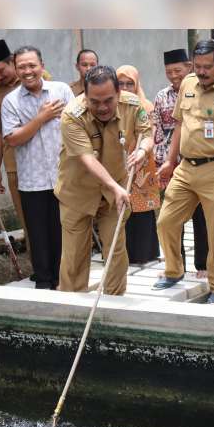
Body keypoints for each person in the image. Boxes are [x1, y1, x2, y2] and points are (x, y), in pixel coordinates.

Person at [154, 39, 214, 305]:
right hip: (186, 168)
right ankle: (174, 271)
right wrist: (170, 160)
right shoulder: (187, 84)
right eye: (197, 66)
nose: (201, 71)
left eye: (207, 67)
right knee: (166, 221)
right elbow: (178, 124)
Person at [55, 65, 153, 295]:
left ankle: (114, 302)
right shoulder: (71, 115)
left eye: (108, 100)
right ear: (85, 96)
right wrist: (115, 187)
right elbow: (87, 159)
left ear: (118, 93)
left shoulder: (133, 105)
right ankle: (73, 305)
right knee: (74, 256)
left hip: (114, 193)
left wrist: (142, 152)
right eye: (94, 101)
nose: (102, 108)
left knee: (115, 250)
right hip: (77, 191)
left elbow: (146, 133)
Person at [1, 46, 73, 290]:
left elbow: (77, 125)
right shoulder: (10, 101)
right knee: (39, 234)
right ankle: (43, 282)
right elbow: (12, 139)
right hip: (32, 180)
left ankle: (65, 280)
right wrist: (40, 118)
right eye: (22, 66)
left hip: (64, 176)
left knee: (65, 231)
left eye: (32, 65)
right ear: (16, 69)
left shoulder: (61, 91)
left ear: (42, 65)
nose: (27, 71)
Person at [152, 48, 208, 278]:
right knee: (170, 217)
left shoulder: (202, 93)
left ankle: (203, 264)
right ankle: (176, 265)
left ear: (189, 67)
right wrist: (160, 160)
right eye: (168, 72)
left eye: (177, 70)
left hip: (198, 162)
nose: (173, 75)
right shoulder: (161, 96)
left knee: (200, 216)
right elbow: (156, 130)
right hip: (168, 163)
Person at [0, 39, 31, 253]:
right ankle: (37, 265)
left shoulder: (35, 79)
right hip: (14, 164)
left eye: (1, 70)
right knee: (26, 216)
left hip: (45, 160)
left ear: (12, 61)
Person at [116, 65, 161, 264]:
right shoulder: (112, 105)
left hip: (141, 162)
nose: (125, 87)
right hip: (118, 161)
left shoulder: (145, 105)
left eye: (129, 83)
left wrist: (139, 150)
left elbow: (149, 133)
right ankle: (123, 252)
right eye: (121, 83)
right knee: (121, 206)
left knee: (142, 208)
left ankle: (144, 252)